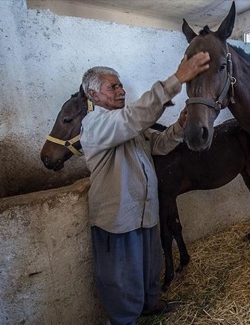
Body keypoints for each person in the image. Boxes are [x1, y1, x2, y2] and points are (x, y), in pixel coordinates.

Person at [79, 52, 210, 325]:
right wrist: (177, 79)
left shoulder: (130, 127)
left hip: (144, 213)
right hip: (118, 220)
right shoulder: (95, 125)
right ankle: (125, 320)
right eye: (112, 86)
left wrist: (179, 126)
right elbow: (133, 118)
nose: (121, 90)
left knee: (151, 266)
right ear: (93, 94)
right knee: (120, 277)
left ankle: (149, 304)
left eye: (120, 85)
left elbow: (159, 144)